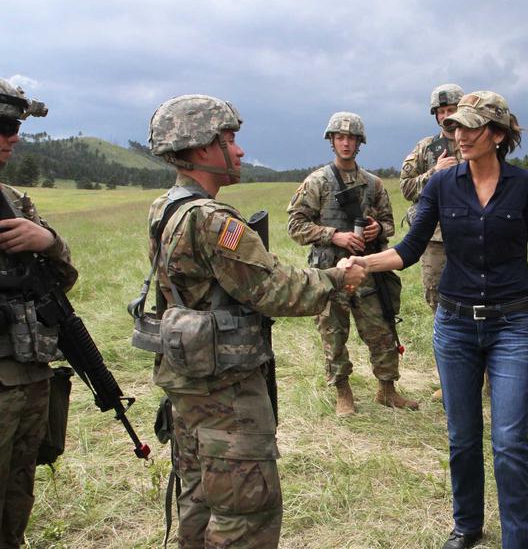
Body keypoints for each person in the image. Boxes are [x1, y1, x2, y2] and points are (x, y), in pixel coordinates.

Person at [342, 91, 528, 549]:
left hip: (513, 326)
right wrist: (365, 264)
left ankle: (518, 541)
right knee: (463, 437)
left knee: (508, 441)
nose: (459, 135)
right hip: (456, 326)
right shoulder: (442, 184)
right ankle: (467, 527)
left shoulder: (523, 186)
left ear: (497, 135)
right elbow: (408, 248)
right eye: (454, 127)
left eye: (470, 128)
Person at [145, 94, 366, 548]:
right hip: (225, 388)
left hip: (189, 381)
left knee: (199, 500)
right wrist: (335, 278)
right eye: (229, 139)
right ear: (202, 148)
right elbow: (272, 289)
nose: (240, 150)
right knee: (246, 512)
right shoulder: (210, 219)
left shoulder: (166, 206)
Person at [287, 112, 418, 417]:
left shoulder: (372, 184)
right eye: (340, 137)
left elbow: (388, 223)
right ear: (331, 141)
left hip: (368, 273)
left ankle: (387, 390)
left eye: (352, 138)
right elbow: (296, 225)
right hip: (331, 273)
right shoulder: (317, 182)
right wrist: (334, 236)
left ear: (360, 143)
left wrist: (378, 230)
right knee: (333, 332)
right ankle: (343, 393)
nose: (346, 143)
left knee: (381, 330)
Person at [0, 79, 75, 548]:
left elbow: (63, 276)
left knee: (17, 489)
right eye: (5, 125)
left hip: (27, 373)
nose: (15, 137)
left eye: (17, 126)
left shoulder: (15, 200)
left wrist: (46, 242)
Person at [400, 83, 464, 312]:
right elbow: (406, 188)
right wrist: (433, 173)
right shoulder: (425, 148)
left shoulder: (476, 143)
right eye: (442, 111)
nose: (446, 116)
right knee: (436, 296)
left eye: (451, 110)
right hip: (436, 237)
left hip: (472, 232)